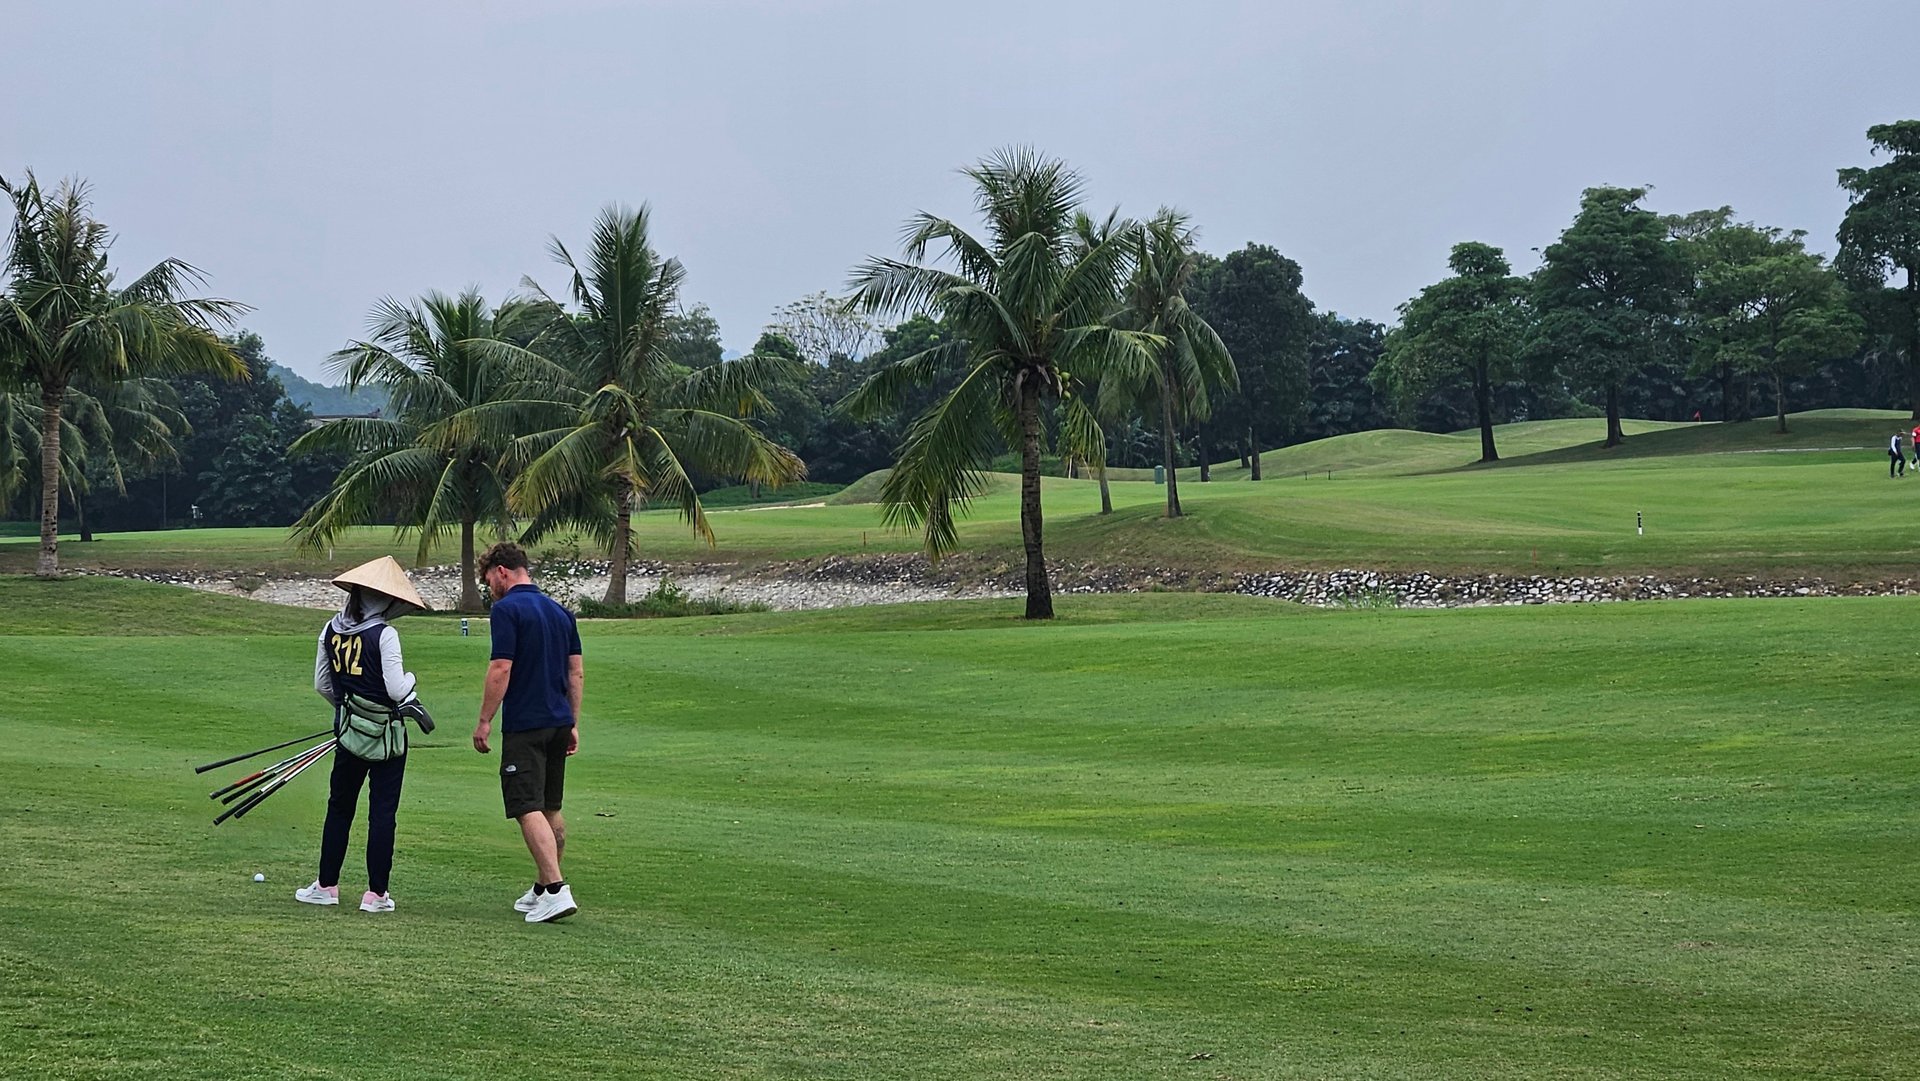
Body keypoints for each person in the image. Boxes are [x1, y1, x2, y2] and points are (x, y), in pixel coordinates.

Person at [298, 556, 428, 913]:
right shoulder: (385, 634)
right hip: (387, 738)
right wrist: (413, 679)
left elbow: (323, 684)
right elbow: (397, 689)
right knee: (382, 813)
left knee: (339, 808)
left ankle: (326, 886)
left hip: (348, 735)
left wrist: (350, 712)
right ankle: (376, 894)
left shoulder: (331, 629)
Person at [472, 541, 584, 923]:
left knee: (525, 806)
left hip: (526, 723)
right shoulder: (561, 612)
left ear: (502, 571)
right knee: (551, 807)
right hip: (558, 721)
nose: (490, 588)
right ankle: (541, 889)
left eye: (489, 579)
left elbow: (501, 667)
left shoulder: (506, 610)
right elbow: (575, 673)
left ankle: (556, 890)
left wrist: (485, 720)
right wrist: (573, 722)